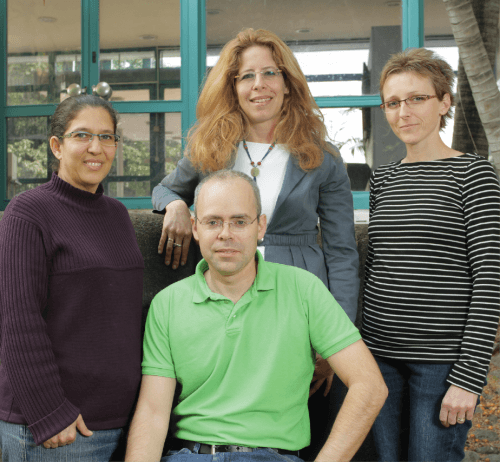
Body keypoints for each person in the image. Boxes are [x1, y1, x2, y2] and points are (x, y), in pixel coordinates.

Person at [152, 29, 359, 456]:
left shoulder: (322, 155)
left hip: (297, 302)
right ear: (233, 87)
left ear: (288, 83)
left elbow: (342, 251)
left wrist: (336, 336)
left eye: (270, 73)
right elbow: (166, 189)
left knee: (295, 414)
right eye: (246, 76)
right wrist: (174, 205)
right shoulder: (210, 144)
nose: (258, 85)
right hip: (221, 295)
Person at [125, 170, 387, 462]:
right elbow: (151, 413)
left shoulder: (303, 289)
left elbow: (370, 385)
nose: (226, 233)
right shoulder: (167, 304)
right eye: (213, 222)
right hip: (191, 455)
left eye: (239, 221)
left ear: (260, 226)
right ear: (195, 227)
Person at [362, 48, 500, 462]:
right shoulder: (382, 179)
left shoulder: (474, 175)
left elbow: (491, 280)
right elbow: (374, 268)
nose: (404, 112)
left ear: (444, 103)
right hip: (378, 358)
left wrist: (469, 378)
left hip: (441, 366)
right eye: (393, 102)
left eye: (417, 98)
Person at [0, 95, 145, 461]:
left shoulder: (117, 215)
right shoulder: (29, 212)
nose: (96, 147)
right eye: (82, 135)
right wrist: (49, 412)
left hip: (121, 423)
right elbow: (18, 320)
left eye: (107, 137)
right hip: (60, 431)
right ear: (57, 146)